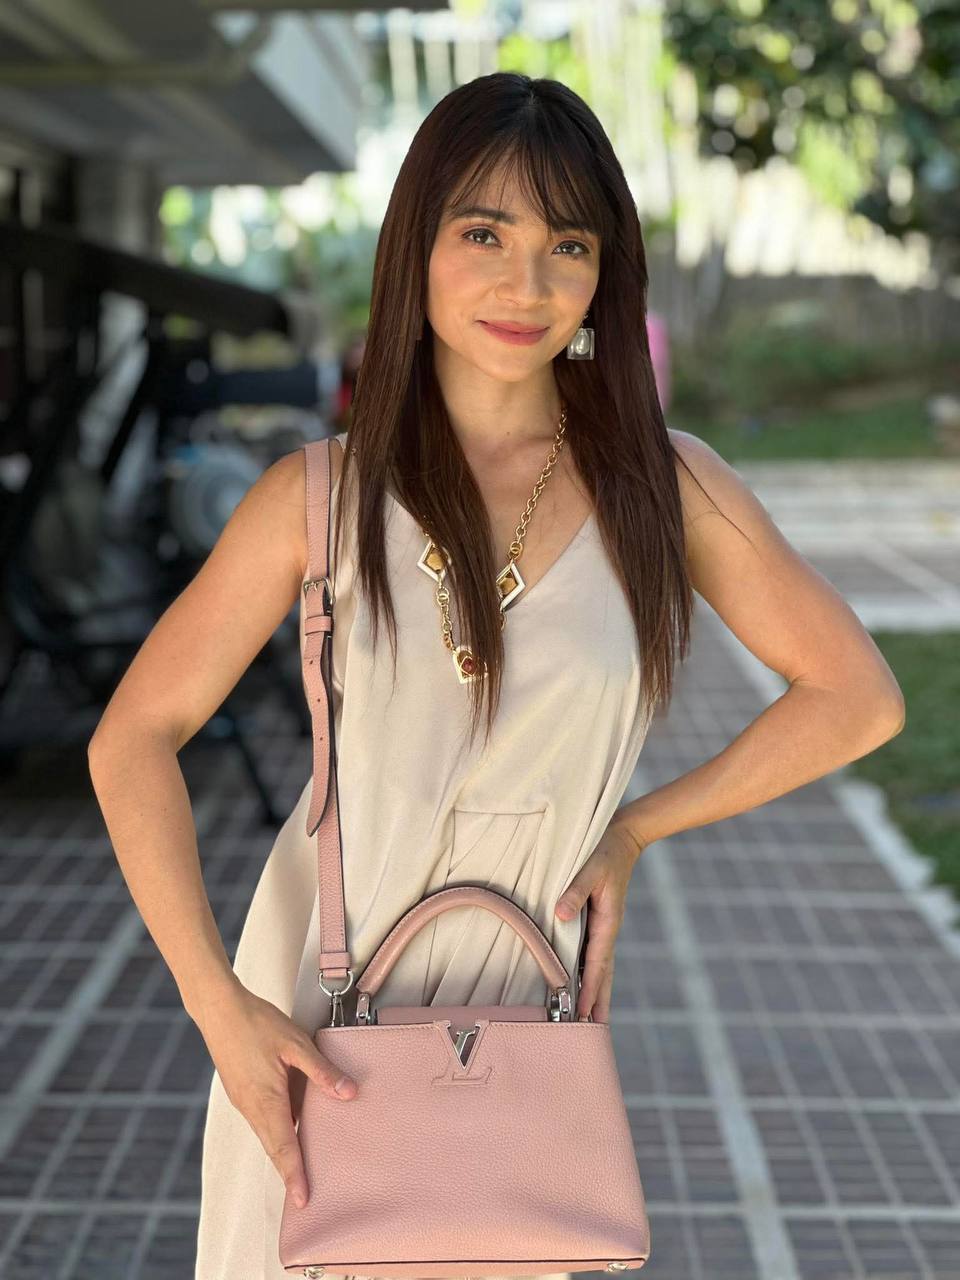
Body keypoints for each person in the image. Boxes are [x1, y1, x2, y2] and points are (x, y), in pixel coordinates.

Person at [86, 72, 906, 1280]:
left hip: (522, 1019)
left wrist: (636, 828)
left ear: (602, 275)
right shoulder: (315, 498)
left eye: (567, 244)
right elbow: (133, 734)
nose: (528, 284)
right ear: (415, 246)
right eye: (484, 234)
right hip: (317, 1011)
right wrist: (218, 1003)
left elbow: (858, 696)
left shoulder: (666, 487)